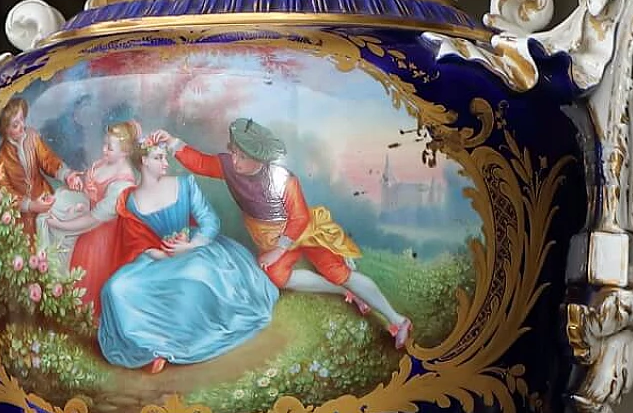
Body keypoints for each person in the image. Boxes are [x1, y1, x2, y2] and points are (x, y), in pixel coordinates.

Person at [169, 116, 412, 348]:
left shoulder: (284, 179)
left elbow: (299, 218)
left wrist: (279, 250)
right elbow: (200, 163)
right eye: (233, 152)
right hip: (268, 236)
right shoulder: (228, 167)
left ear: (259, 159)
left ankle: (397, 319)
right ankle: (344, 291)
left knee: (338, 272)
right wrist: (172, 143)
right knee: (276, 277)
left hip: (303, 231)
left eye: (242, 156)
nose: (235, 160)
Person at [95, 133, 276, 373]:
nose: (166, 163)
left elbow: (209, 221)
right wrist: (159, 253)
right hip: (156, 258)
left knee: (195, 274)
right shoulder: (131, 201)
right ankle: (150, 347)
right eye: (159, 158)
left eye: (165, 157)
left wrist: (191, 245)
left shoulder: (184, 184)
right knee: (116, 287)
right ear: (144, 162)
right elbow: (135, 241)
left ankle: (177, 344)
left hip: (194, 249)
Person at [45, 120, 143, 311]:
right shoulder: (103, 163)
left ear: (125, 152)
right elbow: (88, 188)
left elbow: (94, 219)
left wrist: (60, 224)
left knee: (87, 286)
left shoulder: (123, 183)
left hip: (100, 242)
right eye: (104, 144)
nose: (104, 149)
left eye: (110, 147)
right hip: (84, 225)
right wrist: (77, 185)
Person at [0, 95, 69, 241]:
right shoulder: (2, 159)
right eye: (15, 125)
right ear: (6, 130)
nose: (22, 126)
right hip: (23, 215)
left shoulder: (32, 137)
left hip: (44, 198)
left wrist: (66, 174)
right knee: (33, 249)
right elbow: (4, 192)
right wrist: (31, 205)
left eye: (22, 119)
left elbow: (47, 159)